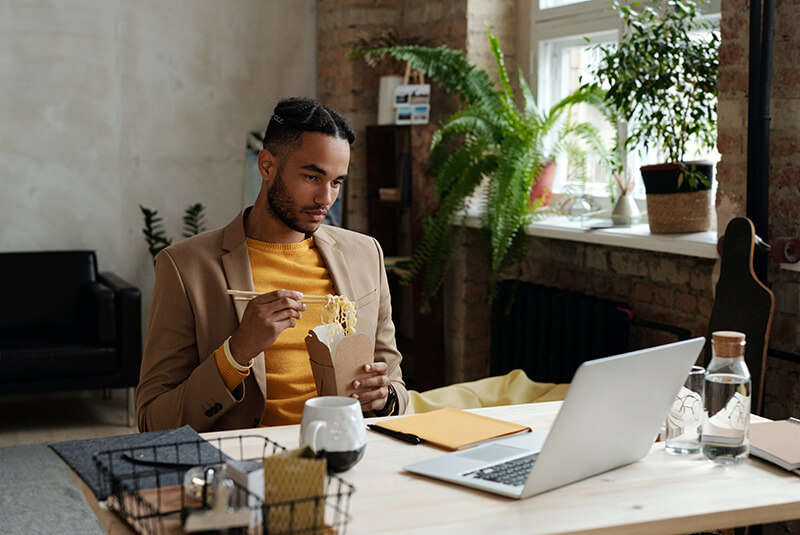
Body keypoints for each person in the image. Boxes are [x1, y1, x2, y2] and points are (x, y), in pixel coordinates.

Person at [136, 97, 408, 432]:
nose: (326, 199)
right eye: (312, 177)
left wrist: (385, 398)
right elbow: (152, 421)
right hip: (249, 463)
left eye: (337, 182)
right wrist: (237, 351)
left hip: (348, 456)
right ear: (267, 166)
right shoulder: (185, 268)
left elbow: (395, 386)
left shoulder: (366, 255)